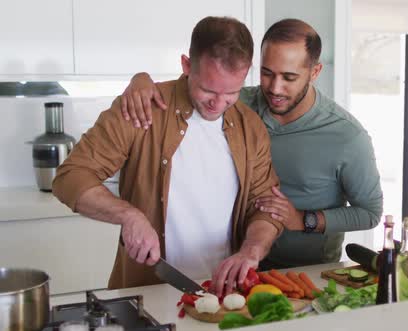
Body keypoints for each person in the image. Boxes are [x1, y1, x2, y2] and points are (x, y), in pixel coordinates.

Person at [119, 19, 383, 269]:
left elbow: (370, 213)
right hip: (235, 265)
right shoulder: (236, 103)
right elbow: (198, 81)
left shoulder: (347, 136)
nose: (275, 88)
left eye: (289, 78)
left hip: (305, 272)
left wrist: (305, 220)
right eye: (267, 73)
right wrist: (141, 80)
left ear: (314, 72)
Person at [52, 16, 283, 297]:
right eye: (208, 90)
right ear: (186, 65)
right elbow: (70, 176)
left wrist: (251, 250)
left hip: (225, 296)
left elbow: (264, 206)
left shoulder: (250, 127)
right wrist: (129, 215)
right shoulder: (143, 107)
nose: (219, 104)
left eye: (232, 93)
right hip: (147, 296)